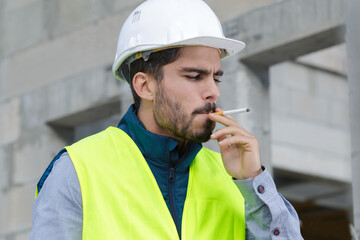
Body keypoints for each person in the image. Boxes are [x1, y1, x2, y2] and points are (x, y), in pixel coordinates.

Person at [30, 0, 303, 239]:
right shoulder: (77, 170)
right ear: (145, 86)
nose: (213, 92)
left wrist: (253, 181)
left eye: (216, 77)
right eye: (194, 76)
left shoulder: (235, 177)